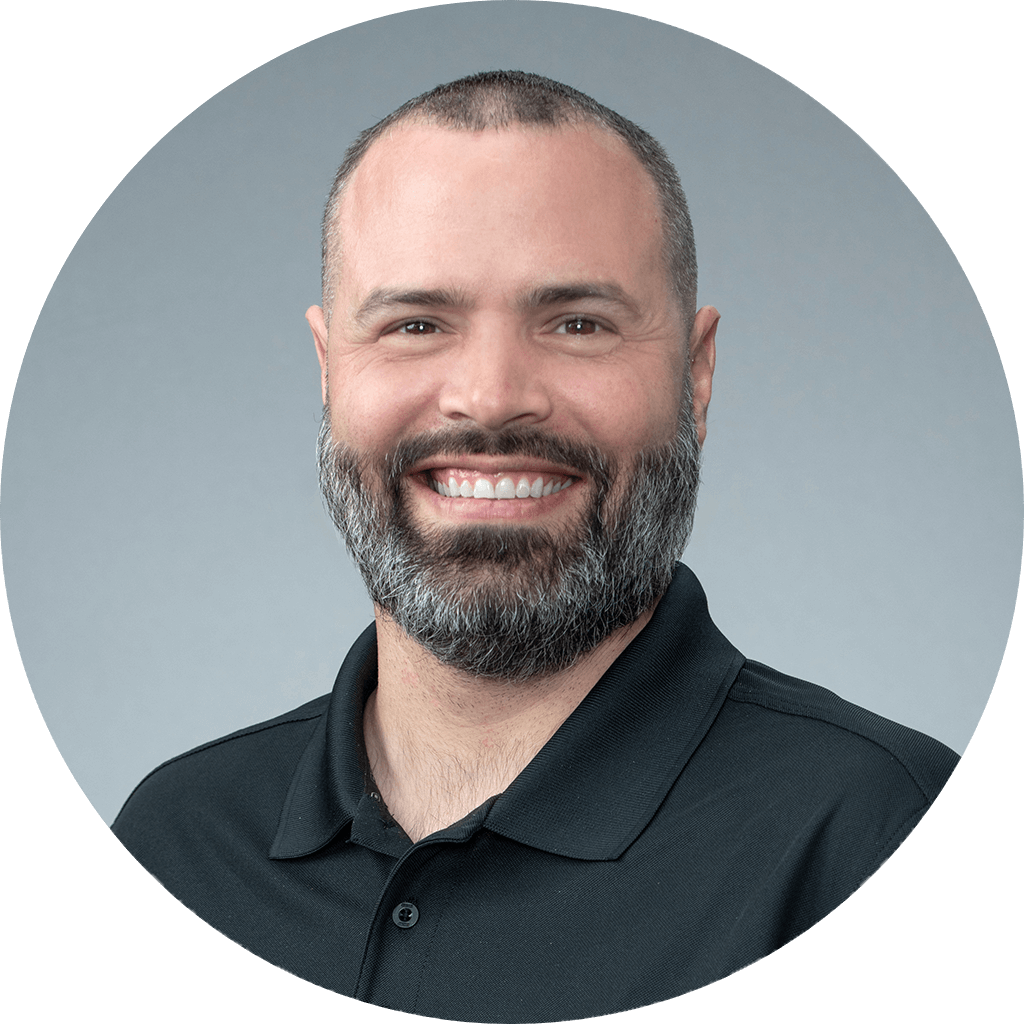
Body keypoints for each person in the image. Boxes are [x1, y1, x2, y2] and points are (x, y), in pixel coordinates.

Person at [112, 70, 959, 1019]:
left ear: (697, 372)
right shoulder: (177, 842)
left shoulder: (870, 834)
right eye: (416, 324)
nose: (491, 394)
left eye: (577, 324)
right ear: (328, 370)